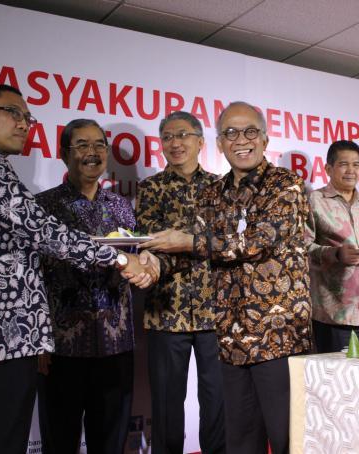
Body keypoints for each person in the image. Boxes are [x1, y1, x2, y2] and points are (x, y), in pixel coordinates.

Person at [0, 85, 155, 454]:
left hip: (9, 335)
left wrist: (143, 258)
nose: (23, 124)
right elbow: (44, 231)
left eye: (27, 117)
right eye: (13, 113)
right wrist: (118, 258)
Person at [141, 101, 312, 454]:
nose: (241, 140)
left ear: (265, 140)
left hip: (277, 335)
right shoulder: (211, 194)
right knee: (240, 443)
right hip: (231, 337)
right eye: (231, 133)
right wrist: (153, 265)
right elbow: (195, 254)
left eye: (250, 131)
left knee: (286, 439)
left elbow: (257, 243)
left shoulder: (286, 185)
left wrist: (188, 240)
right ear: (219, 143)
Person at [36, 119, 143, 453]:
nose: (92, 153)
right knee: (60, 441)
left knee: (110, 443)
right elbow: (31, 276)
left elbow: (134, 262)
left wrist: (146, 265)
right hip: (60, 349)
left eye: (99, 145)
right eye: (82, 144)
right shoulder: (43, 207)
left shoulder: (122, 206)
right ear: (64, 153)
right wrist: (38, 340)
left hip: (115, 347)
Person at [134, 111, 225, 454]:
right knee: (167, 403)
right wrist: (198, 241)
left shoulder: (220, 187)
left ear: (200, 142)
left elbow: (226, 240)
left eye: (183, 135)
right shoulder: (150, 188)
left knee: (218, 402)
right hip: (165, 309)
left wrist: (183, 240)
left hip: (215, 310)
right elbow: (151, 241)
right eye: (168, 137)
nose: (175, 143)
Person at [305, 140, 359, 351]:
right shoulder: (314, 201)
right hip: (335, 313)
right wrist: (335, 254)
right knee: (337, 379)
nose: (350, 170)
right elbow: (300, 249)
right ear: (328, 168)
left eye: (356, 165)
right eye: (344, 164)